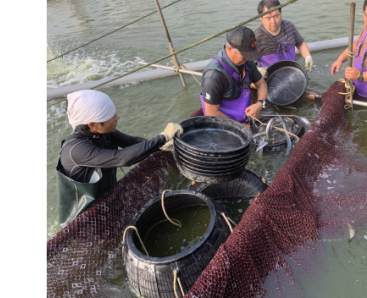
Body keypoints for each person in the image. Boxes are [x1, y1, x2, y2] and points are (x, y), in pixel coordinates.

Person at [56, 90, 181, 227]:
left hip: (108, 200)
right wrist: (162, 137)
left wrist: (162, 145)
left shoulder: (102, 132)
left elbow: (131, 142)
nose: (117, 117)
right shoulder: (76, 149)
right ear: (93, 125)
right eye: (111, 116)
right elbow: (122, 158)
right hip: (85, 219)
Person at [200, 26, 268, 127]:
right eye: (245, 55)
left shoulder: (247, 63)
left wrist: (260, 104)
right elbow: (212, 113)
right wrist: (240, 128)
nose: (248, 59)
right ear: (230, 49)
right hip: (222, 127)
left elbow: (262, 84)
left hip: (246, 121)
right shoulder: (213, 76)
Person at [254, 0, 313, 77]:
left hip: (292, 74)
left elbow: (300, 43)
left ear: (281, 13)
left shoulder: (289, 26)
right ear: (261, 18)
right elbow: (246, 61)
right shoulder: (257, 36)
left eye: (276, 16)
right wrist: (257, 72)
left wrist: (308, 57)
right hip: (270, 78)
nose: (273, 22)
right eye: (268, 18)